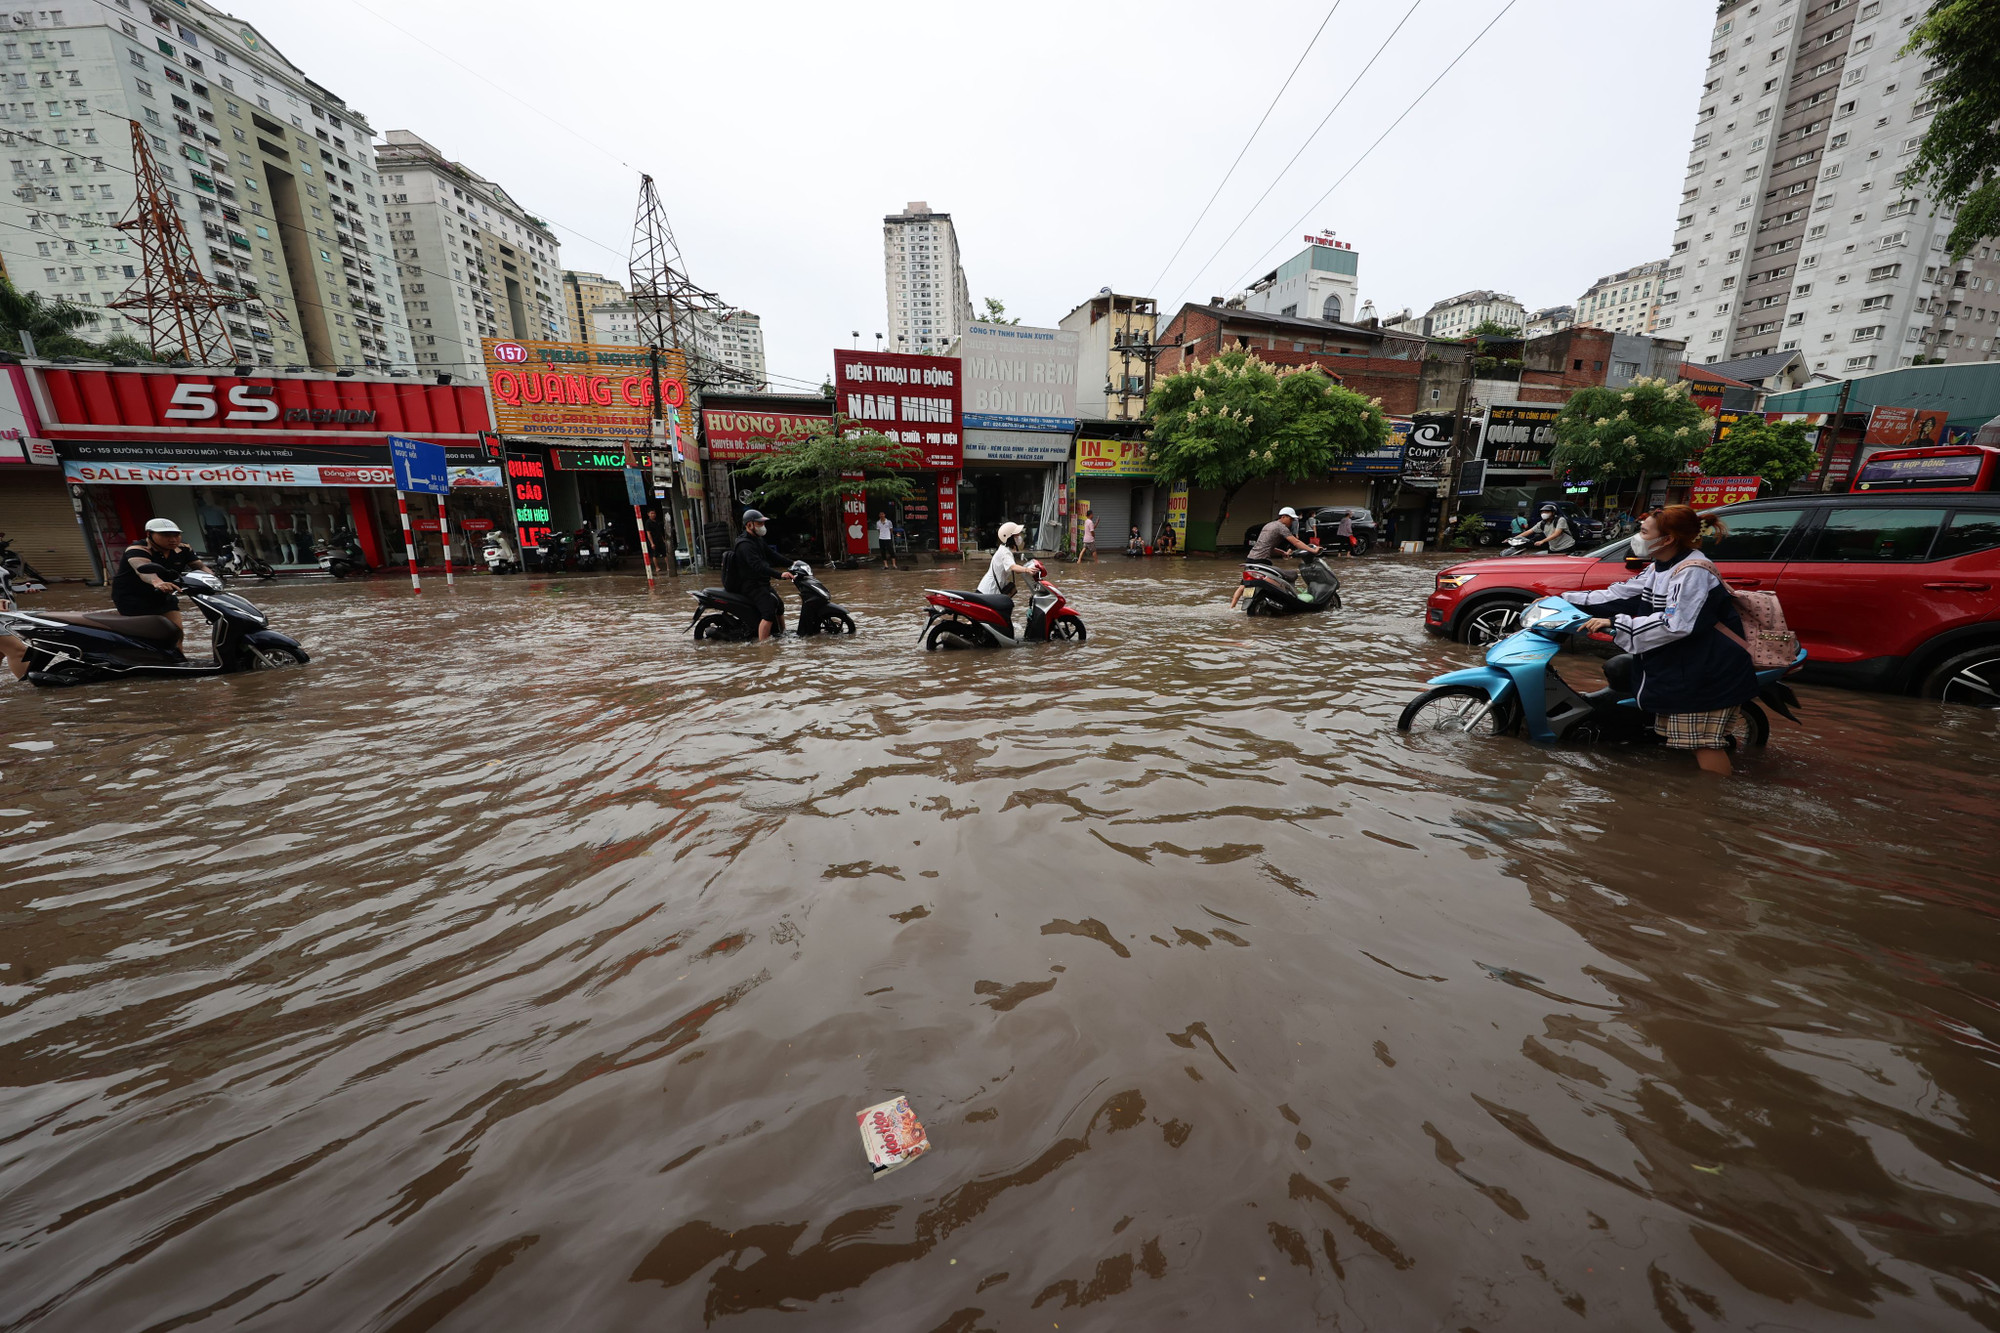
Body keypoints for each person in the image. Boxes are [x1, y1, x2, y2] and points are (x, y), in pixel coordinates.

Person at [1563, 505, 1758, 776]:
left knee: (1704, 744)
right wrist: (1563, 600)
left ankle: (1715, 804)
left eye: (1643, 532)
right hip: (1682, 666)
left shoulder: (1692, 571)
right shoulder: (1661, 566)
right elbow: (1620, 593)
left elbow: (1676, 624)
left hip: (1707, 670)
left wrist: (1616, 622)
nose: (1638, 538)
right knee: (1688, 740)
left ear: (1667, 539)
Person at [112, 518, 208, 650]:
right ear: (149, 534)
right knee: (147, 637)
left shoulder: (183, 548)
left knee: (176, 633)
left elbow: (199, 567)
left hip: (164, 594)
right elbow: (143, 569)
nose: (173, 539)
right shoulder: (137, 549)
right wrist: (157, 582)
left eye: (176, 535)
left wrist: (213, 580)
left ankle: (179, 662)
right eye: (165, 535)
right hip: (133, 597)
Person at [1231, 507, 1319, 609]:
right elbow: (1296, 542)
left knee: (1243, 586)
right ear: (1283, 517)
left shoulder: (1269, 525)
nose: (1291, 522)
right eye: (1291, 519)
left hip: (1251, 559)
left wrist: (1282, 552)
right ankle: (1287, 604)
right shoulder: (1281, 527)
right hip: (1262, 560)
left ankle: (1231, 608)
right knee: (1279, 581)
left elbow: (1266, 546)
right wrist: (1313, 550)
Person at [727, 509, 793, 641]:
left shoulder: (757, 540)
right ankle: (764, 648)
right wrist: (780, 575)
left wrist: (793, 563)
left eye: (762, 523)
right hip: (751, 585)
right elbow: (758, 566)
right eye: (759, 523)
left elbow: (772, 555)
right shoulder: (744, 545)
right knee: (768, 613)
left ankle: (782, 634)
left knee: (779, 606)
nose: (762, 526)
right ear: (749, 525)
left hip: (762, 583)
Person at [978, 520, 1039, 633]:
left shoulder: (1004, 550)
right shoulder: (1005, 552)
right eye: (1017, 535)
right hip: (989, 591)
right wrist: (1027, 569)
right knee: (1004, 609)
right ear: (1010, 538)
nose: (1020, 537)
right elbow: (1012, 567)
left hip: (989, 589)